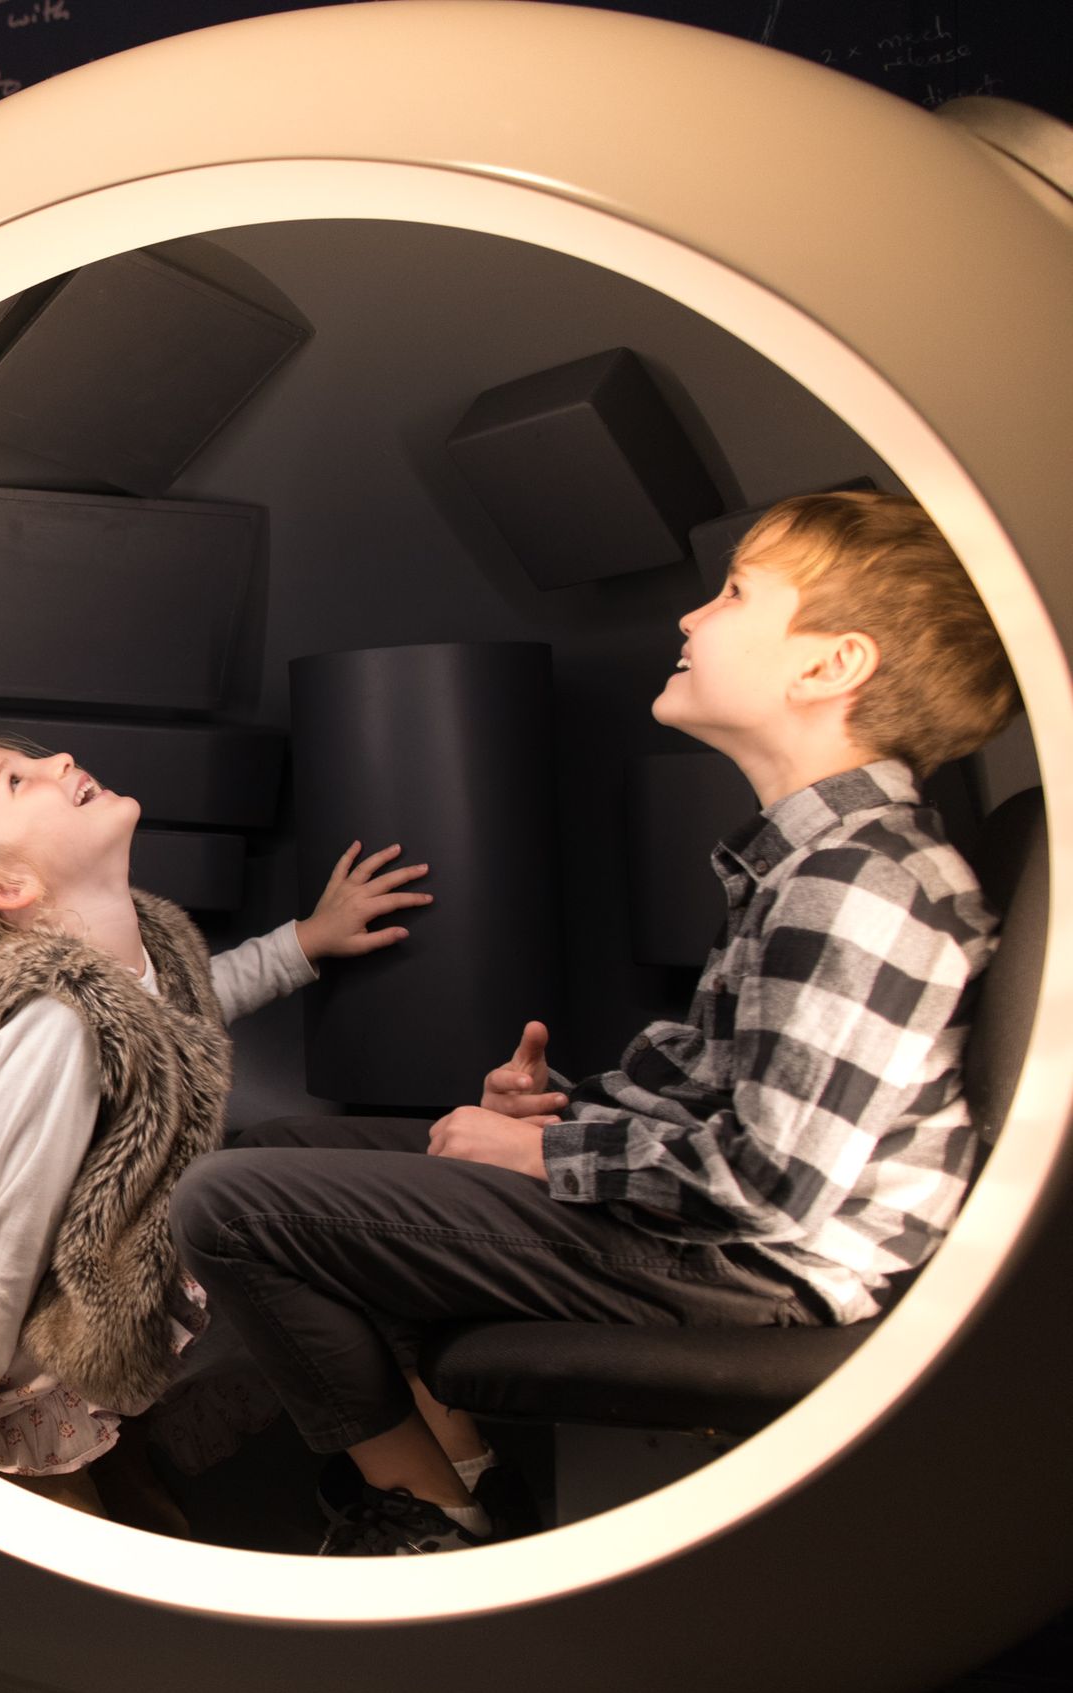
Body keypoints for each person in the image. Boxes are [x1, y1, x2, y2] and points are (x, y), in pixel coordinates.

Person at [175, 489, 1018, 1554]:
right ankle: (471, 1478)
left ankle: (429, 1517)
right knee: (280, 1150)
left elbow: (772, 1186)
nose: (689, 619)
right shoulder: (809, 862)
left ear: (828, 666)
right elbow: (731, 1092)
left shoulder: (859, 882)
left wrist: (545, 1151)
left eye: (734, 595)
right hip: (725, 1225)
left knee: (229, 1202)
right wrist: (558, 1112)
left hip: (767, 1269)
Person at [0, 735, 432, 1523]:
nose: (59, 759)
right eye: (18, 779)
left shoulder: (130, 950)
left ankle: (134, 1482)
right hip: (5, 1319)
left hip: (74, 1256)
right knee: (50, 1500)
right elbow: (12, 1235)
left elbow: (191, 1002)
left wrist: (307, 939)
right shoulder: (55, 1023)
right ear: (7, 884)